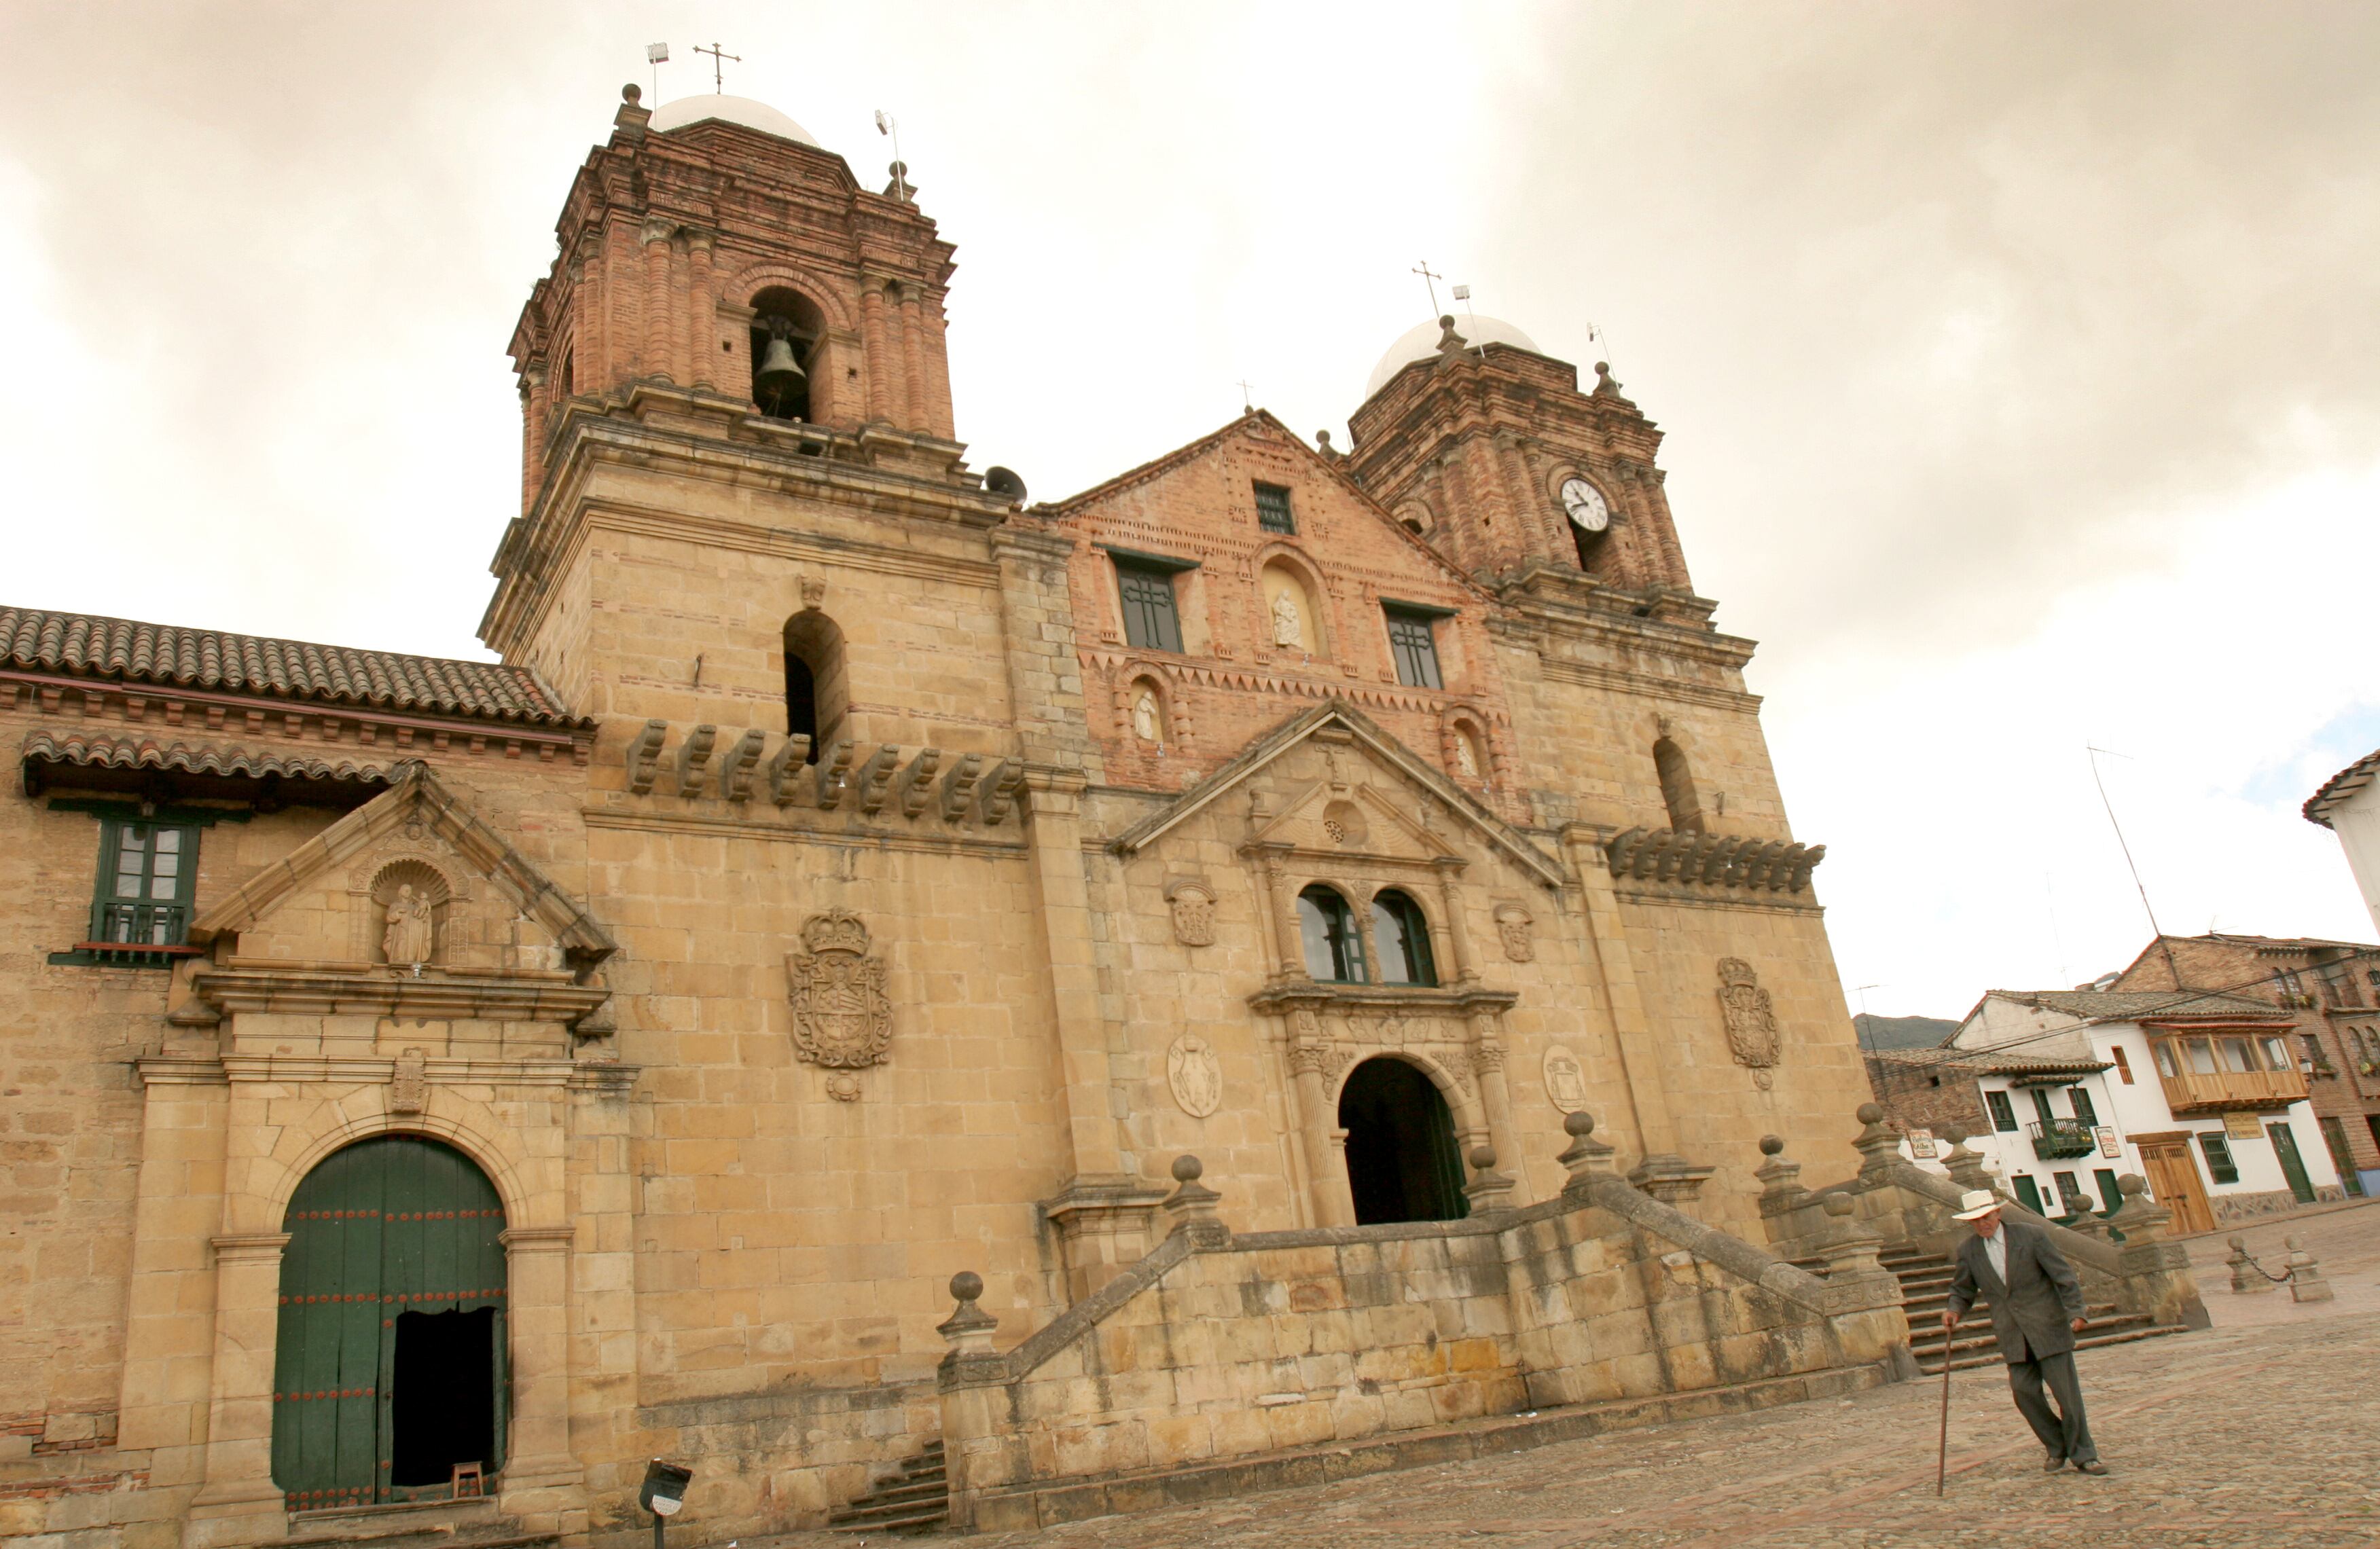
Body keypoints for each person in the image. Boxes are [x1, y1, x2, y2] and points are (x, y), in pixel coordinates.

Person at [1941, 1187, 2106, 1474]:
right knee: (2024, 1393)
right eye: (1976, 1221)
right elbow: (1962, 1289)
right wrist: (1954, 1309)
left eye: (1987, 1217)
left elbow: (2062, 1275)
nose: (1983, 1224)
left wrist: (2076, 1310)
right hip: (2012, 1334)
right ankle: (2057, 1446)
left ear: (1998, 1213)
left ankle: (2084, 1454)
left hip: (2048, 1326)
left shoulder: (2031, 1236)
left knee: (2067, 1397)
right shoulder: (1969, 1250)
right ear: (1969, 1223)